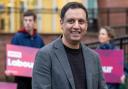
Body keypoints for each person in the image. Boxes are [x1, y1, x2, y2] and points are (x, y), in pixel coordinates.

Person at [32, 2, 108, 89]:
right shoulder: (45, 55)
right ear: (61, 23)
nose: (76, 26)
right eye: (71, 21)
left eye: (81, 21)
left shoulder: (94, 57)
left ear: (86, 25)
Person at [6, 10, 45, 89]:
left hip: (35, 78)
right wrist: (8, 68)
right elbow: (11, 54)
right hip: (21, 78)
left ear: (34, 22)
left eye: (30, 20)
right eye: (25, 20)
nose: (27, 23)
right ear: (23, 22)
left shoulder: (39, 39)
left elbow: (44, 56)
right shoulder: (17, 37)